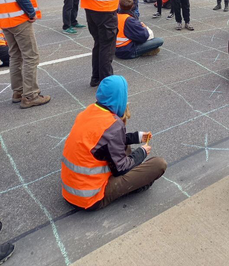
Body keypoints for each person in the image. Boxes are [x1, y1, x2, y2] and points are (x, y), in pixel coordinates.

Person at [61, 75, 167, 210]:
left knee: (123, 147)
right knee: (158, 164)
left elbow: (108, 141)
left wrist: (137, 137)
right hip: (91, 198)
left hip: (70, 192)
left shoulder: (88, 112)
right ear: (121, 97)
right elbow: (120, 169)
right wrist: (141, 152)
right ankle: (138, 184)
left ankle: (132, 170)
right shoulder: (114, 125)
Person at [0, 0, 50, 108]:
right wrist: (31, 13)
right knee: (31, 56)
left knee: (15, 55)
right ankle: (30, 95)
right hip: (19, 19)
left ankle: (18, 91)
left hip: (5, 21)